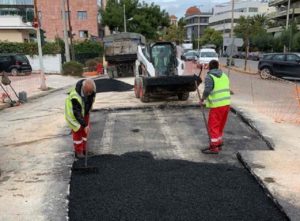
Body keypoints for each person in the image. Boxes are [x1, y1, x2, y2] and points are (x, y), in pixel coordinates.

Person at [200, 60, 230, 154]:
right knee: (220, 125)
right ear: (217, 66)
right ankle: (219, 142)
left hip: (217, 105)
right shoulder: (224, 75)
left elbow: (208, 89)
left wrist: (202, 99)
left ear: (209, 67)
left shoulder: (210, 76)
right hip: (226, 104)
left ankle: (214, 147)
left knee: (213, 125)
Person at [65, 78, 96, 158]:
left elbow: (91, 99)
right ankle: (78, 152)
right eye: (87, 92)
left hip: (84, 112)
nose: (89, 93)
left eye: (90, 92)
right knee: (78, 131)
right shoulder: (75, 97)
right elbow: (77, 113)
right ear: (83, 88)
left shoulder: (92, 90)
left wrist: (88, 111)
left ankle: (84, 150)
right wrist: (84, 125)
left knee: (85, 132)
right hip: (74, 115)